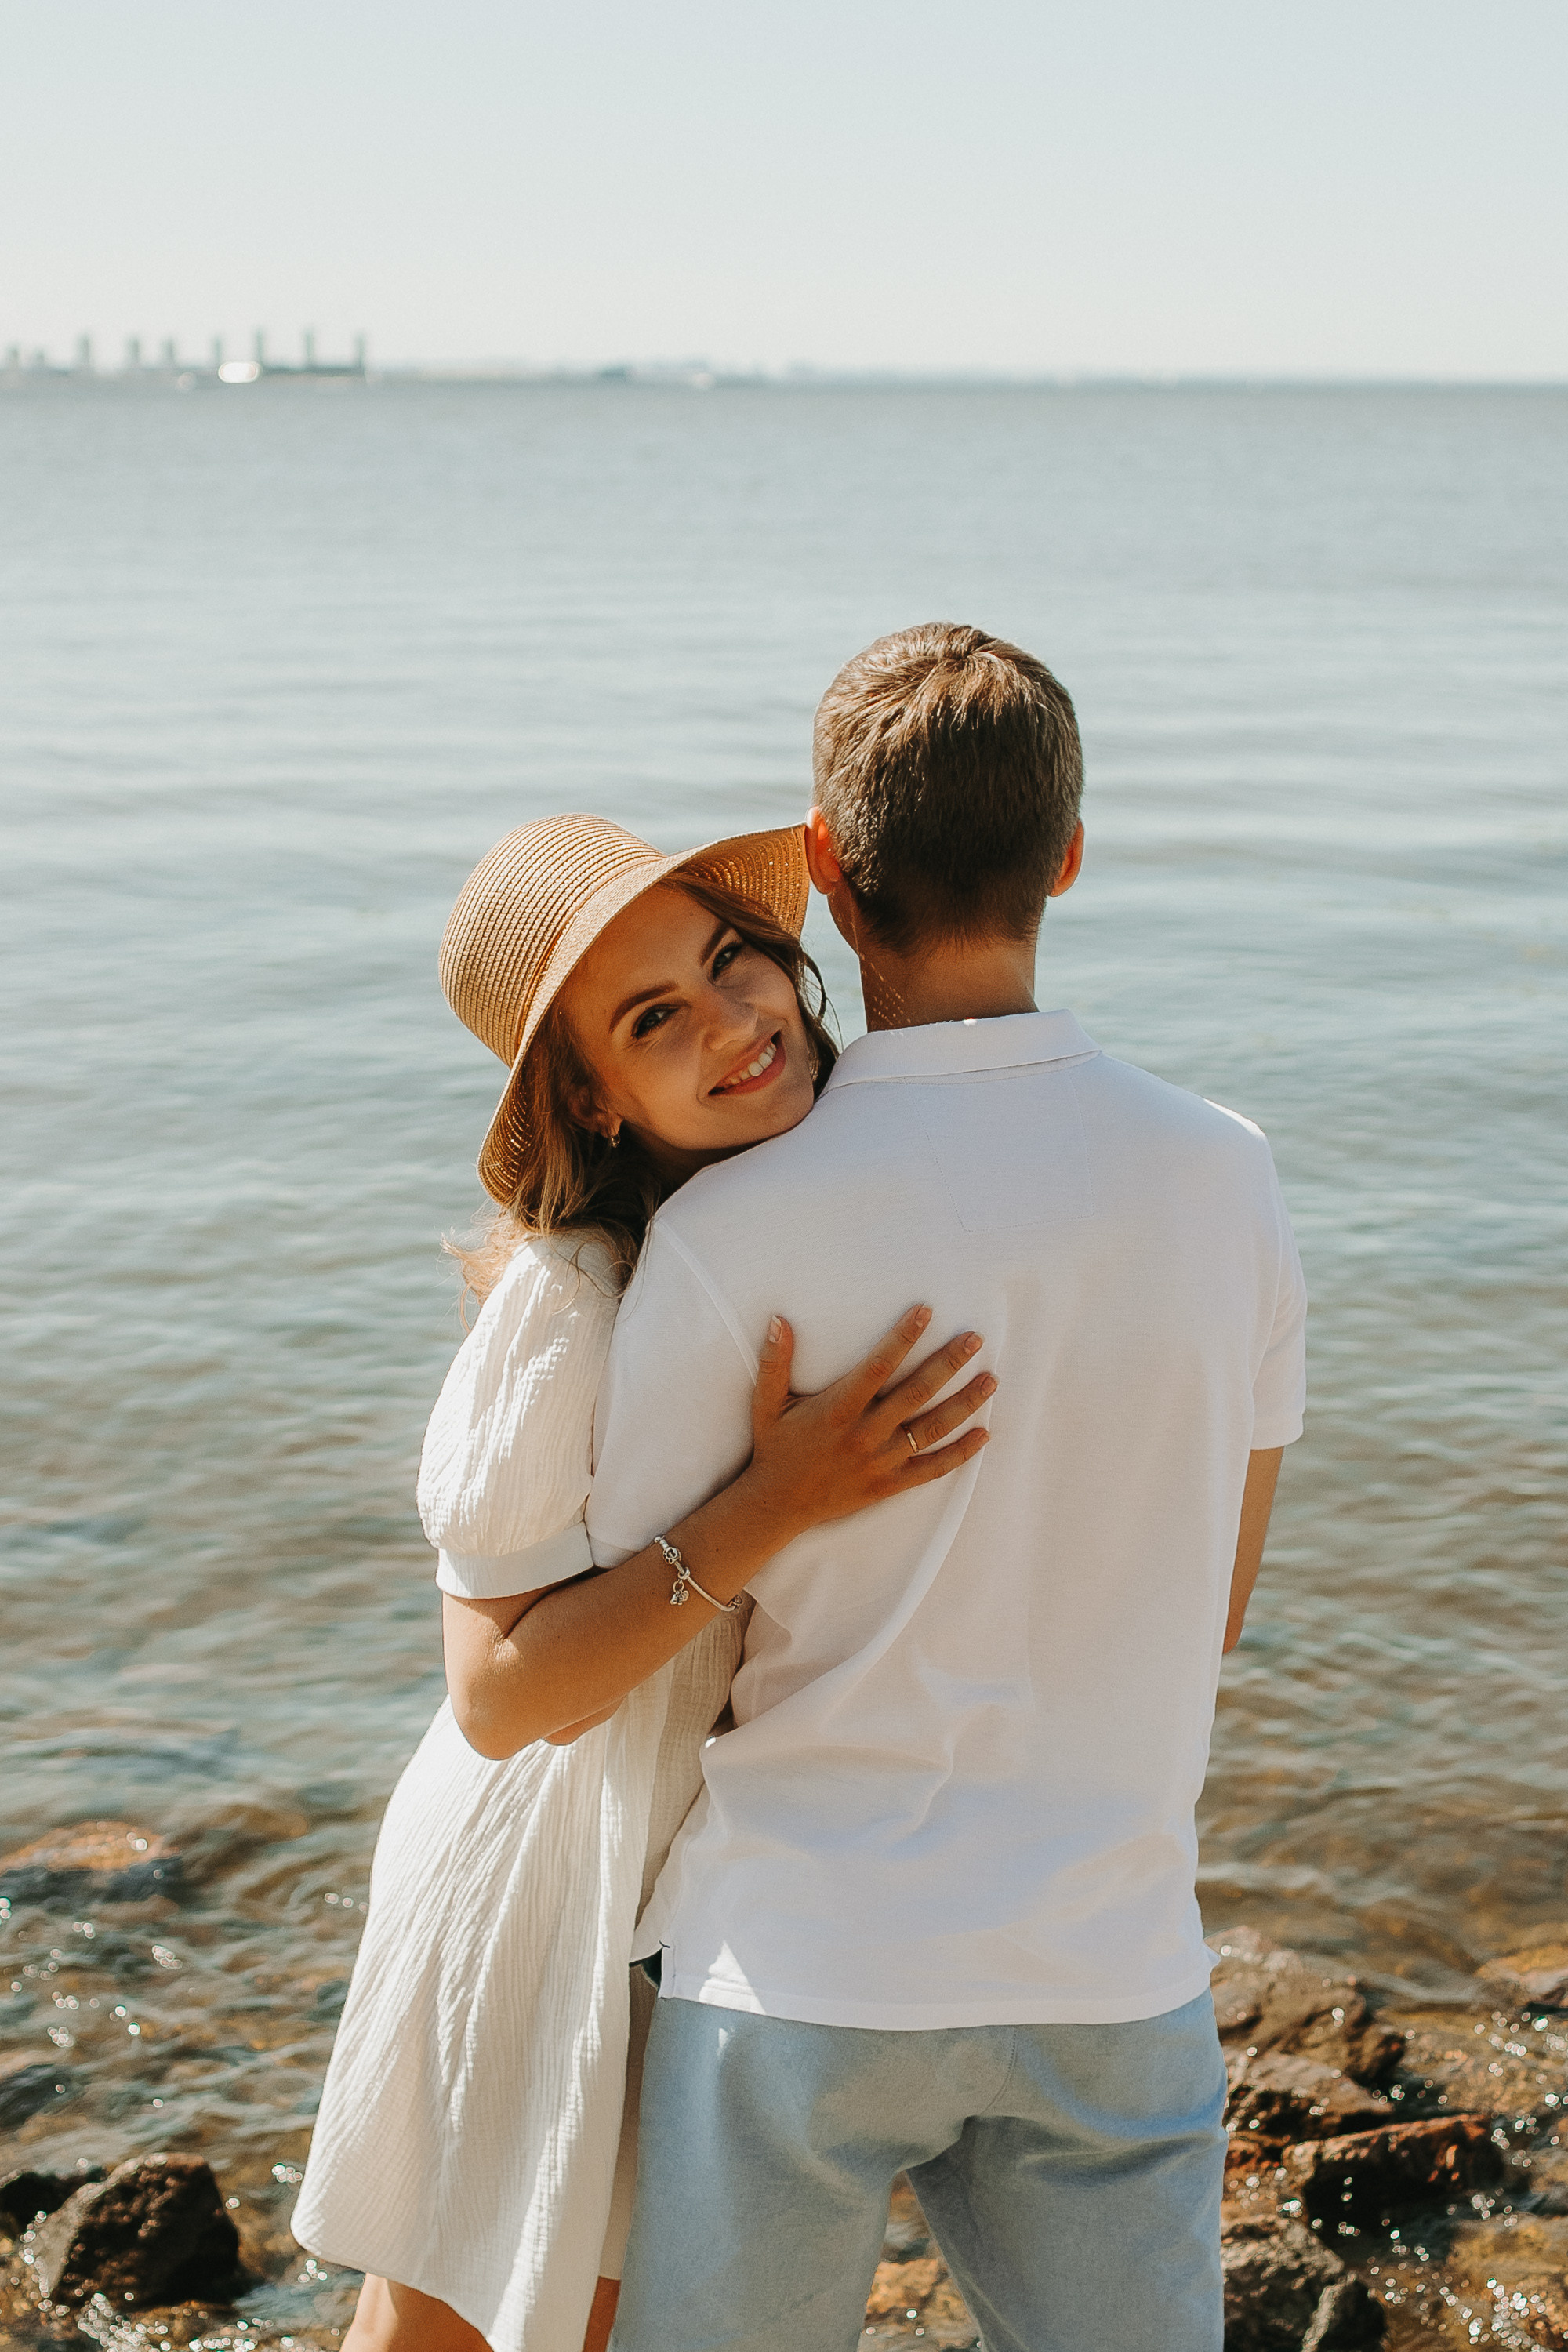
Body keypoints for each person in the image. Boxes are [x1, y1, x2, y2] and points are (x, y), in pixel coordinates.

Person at [588, 624, 1308, 2352]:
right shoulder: (1226, 1177)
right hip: (1109, 1964)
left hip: (802, 1968)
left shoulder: (727, 1230)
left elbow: (626, 1642)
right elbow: (1210, 1602)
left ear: (828, 876)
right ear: (1067, 853)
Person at [290, 812, 993, 2352]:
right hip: (542, 1873)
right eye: (653, 1019)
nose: (737, 1022)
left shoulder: (790, 1204)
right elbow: (494, 1701)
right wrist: (778, 1501)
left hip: (683, 1882)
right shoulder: (570, 1302)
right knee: (453, 2325)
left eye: (731, 960)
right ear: (592, 1102)